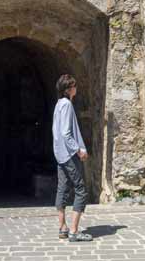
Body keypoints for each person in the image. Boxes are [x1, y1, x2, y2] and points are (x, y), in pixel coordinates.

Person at [53, 73, 91, 242]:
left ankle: (62, 227)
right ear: (68, 89)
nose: (76, 88)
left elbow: (56, 133)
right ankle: (74, 231)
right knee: (81, 190)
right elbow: (66, 133)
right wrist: (79, 151)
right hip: (69, 154)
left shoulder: (58, 104)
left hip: (60, 154)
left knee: (62, 188)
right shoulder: (67, 104)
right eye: (74, 86)